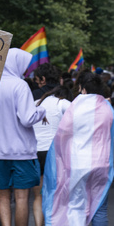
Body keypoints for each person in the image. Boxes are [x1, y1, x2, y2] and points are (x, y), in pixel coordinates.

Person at [0, 48, 46, 226]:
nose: (25, 71)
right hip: (21, 152)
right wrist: (41, 111)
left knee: (2, 196)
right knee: (21, 197)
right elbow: (27, 118)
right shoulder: (20, 85)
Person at [43, 72, 114, 225]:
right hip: (102, 165)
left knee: (74, 207)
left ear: (82, 89)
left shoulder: (75, 106)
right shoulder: (108, 107)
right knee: (99, 208)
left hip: (78, 165)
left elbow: (62, 135)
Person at [32, 86, 73, 226]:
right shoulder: (62, 103)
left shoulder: (36, 102)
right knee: (55, 193)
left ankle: (39, 224)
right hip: (53, 152)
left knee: (38, 195)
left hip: (35, 152)